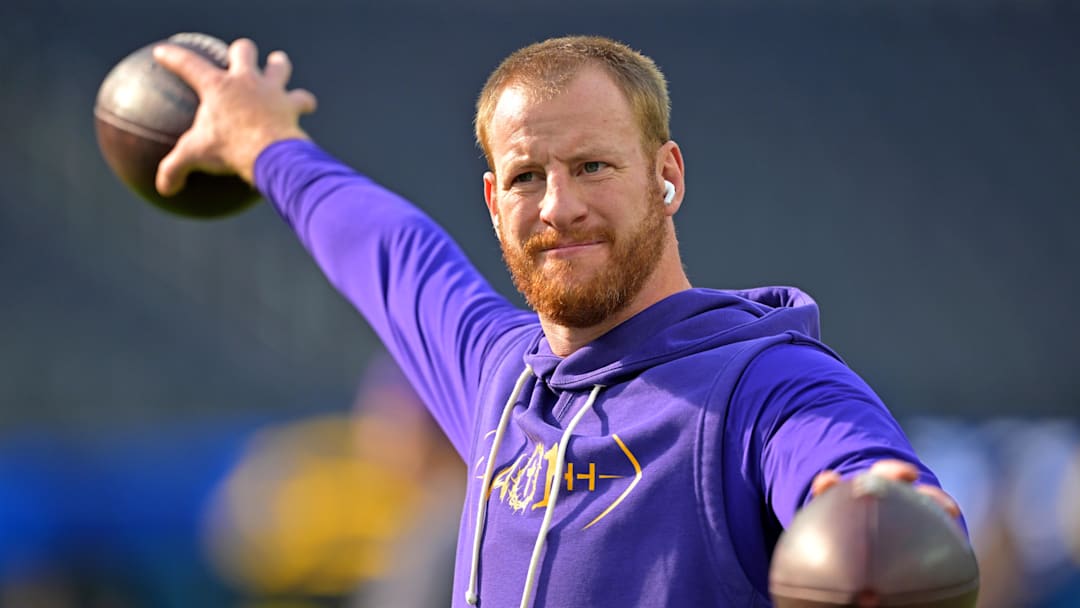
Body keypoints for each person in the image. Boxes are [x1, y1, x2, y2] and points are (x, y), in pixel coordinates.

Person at [152, 35, 963, 607]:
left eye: (593, 167)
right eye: (526, 176)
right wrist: (266, 141)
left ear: (665, 175)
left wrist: (889, 507)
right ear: (492, 201)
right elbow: (387, 249)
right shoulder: (497, 371)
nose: (558, 206)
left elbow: (854, 470)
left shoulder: (761, 383)